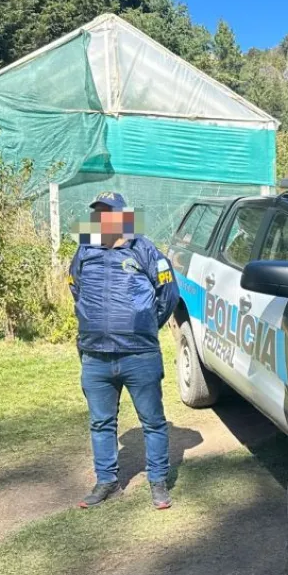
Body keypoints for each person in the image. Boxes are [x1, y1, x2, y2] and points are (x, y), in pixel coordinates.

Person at [68, 192, 180, 510]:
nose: (103, 221)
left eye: (110, 214)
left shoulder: (144, 249)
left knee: (152, 421)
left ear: (123, 218)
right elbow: (74, 287)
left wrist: (145, 325)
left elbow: (169, 293)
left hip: (139, 356)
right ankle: (107, 482)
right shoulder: (84, 250)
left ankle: (158, 482)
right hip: (95, 355)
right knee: (101, 422)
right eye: (98, 215)